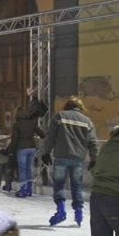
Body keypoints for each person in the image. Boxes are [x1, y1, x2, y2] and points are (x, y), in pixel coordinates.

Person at [42, 96, 98, 226]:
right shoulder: (87, 121)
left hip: (61, 156)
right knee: (76, 186)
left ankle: (61, 210)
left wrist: (46, 152)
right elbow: (93, 142)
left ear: (67, 105)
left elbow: (50, 136)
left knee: (59, 184)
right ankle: (78, 213)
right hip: (78, 159)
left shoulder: (59, 117)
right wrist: (94, 158)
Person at [9, 104, 46, 198]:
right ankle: (29, 190)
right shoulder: (32, 123)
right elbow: (42, 134)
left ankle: (22, 190)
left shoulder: (17, 125)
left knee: (22, 169)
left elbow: (15, 139)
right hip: (32, 147)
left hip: (22, 148)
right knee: (29, 168)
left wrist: (10, 150)